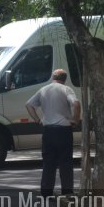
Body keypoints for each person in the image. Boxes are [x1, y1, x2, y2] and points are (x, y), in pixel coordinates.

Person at [25, 69, 81, 197]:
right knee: (65, 163)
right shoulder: (66, 89)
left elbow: (28, 105)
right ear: (65, 79)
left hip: (48, 130)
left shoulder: (43, 90)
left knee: (48, 163)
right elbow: (76, 104)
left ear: (52, 77)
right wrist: (75, 120)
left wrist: (37, 120)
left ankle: (46, 192)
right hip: (63, 130)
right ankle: (67, 192)